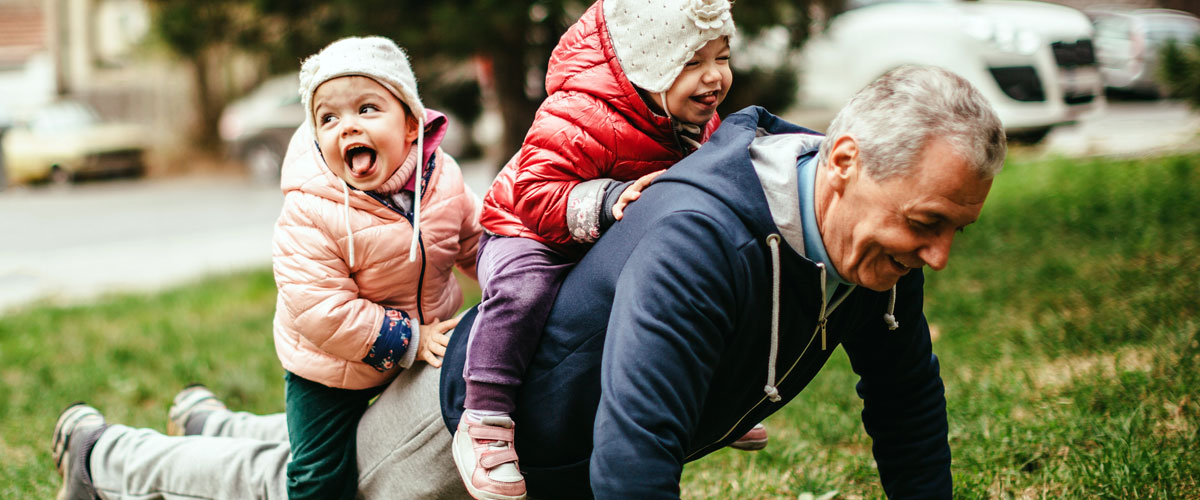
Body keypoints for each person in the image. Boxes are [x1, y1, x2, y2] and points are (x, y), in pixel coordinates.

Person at [441, 64, 1008, 499]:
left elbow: (904, 399)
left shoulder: (880, 244)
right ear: (843, 163)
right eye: (926, 224)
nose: (939, 256)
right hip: (481, 432)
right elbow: (635, 458)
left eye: (956, 228)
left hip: (590, 455)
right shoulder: (699, 240)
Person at [49, 35, 482, 500]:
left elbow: (474, 239)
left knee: (362, 438)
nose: (347, 127)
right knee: (320, 476)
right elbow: (320, 309)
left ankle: (210, 426)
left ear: (412, 124)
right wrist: (409, 340)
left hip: (413, 348)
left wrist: (508, 276)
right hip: (331, 367)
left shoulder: (442, 180)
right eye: (328, 118)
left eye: (368, 109)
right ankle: (107, 465)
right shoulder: (312, 207)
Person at [452, 0, 757, 497]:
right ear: (647, 63)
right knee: (524, 292)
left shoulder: (697, 121)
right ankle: (485, 416)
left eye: (721, 58)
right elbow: (533, 193)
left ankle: (709, 394)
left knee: (689, 283)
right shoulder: (578, 112)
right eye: (692, 62)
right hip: (528, 230)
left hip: (609, 236)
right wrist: (610, 198)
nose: (713, 78)